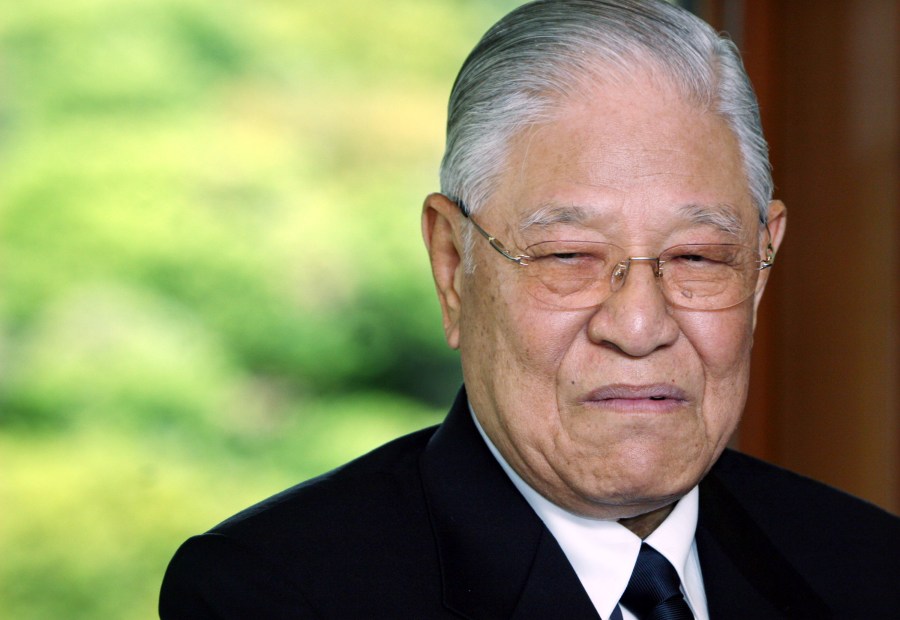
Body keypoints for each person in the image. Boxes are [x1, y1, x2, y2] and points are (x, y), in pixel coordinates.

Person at [159, 1, 900, 618]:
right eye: (568, 257)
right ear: (453, 267)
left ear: (762, 263)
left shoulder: (869, 570)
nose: (640, 327)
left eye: (698, 259)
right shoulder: (278, 595)